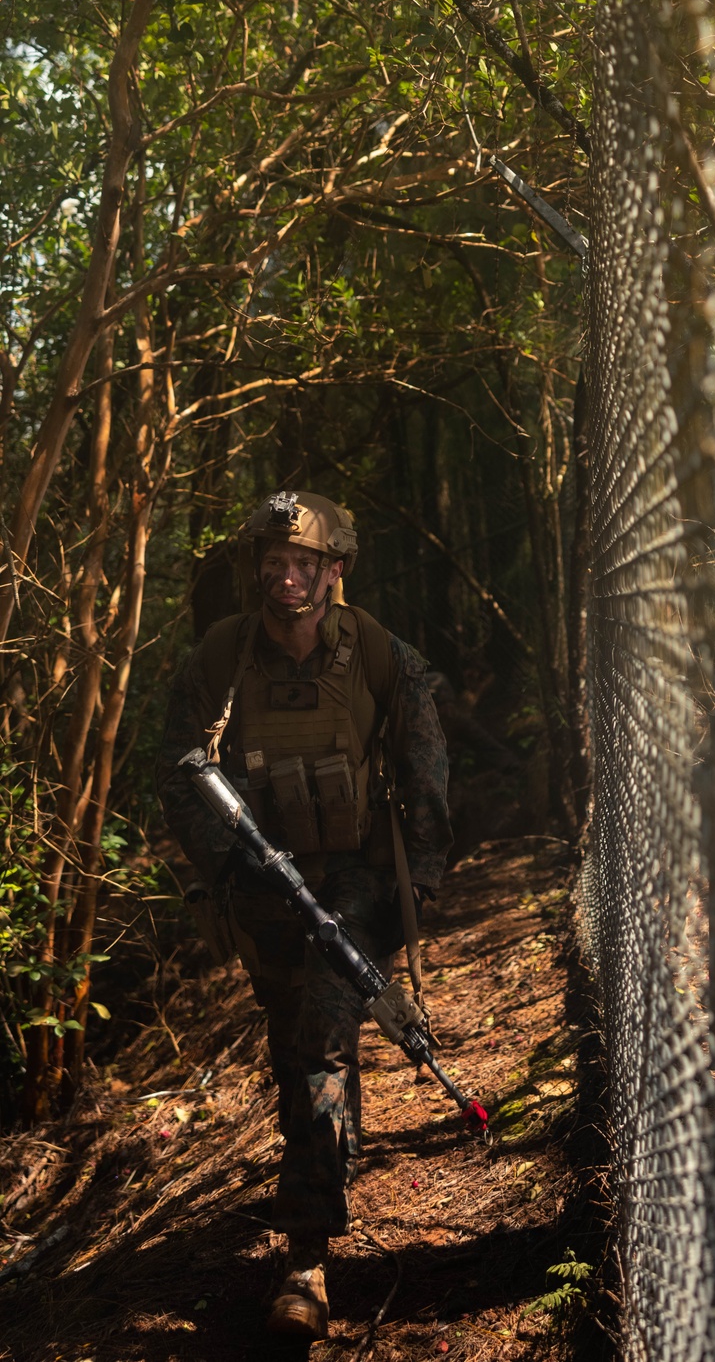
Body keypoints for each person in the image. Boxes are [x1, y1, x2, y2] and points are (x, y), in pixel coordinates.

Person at [156, 491, 451, 1340]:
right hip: (263, 884)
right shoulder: (222, 655)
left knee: (323, 1036)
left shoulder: (375, 652)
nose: (288, 578)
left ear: (336, 570)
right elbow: (178, 769)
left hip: (352, 881)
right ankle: (327, 1158)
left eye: (305, 564)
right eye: (275, 564)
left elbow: (424, 758)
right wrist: (225, 861)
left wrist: (417, 882)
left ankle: (306, 1259)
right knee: (296, 1049)